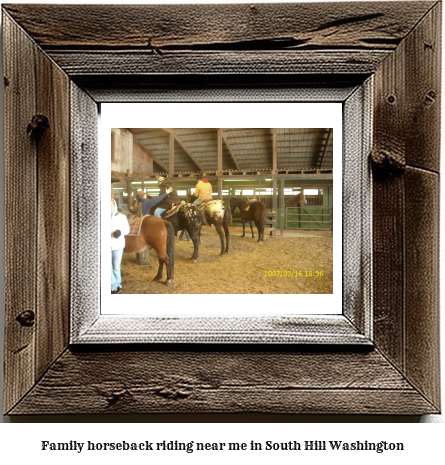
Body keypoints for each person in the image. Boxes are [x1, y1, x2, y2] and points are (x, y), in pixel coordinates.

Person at [111, 198, 130, 294]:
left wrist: (120, 232)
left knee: (116, 267)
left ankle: (117, 284)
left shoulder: (122, 217)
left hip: (117, 246)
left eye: (110, 206)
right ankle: (114, 286)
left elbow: (127, 229)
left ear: (114, 206)